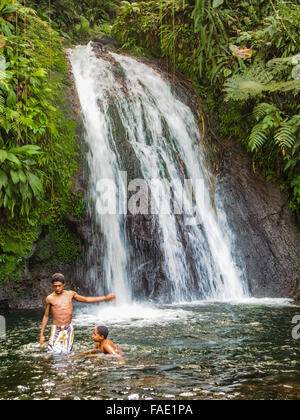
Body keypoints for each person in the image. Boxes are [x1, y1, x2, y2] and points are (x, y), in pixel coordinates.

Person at [40, 273, 116, 354]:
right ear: (52, 285)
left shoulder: (70, 294)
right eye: (55, 286)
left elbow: (86, 299)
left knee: (66, 353)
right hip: (56, 328)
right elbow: (46, 316)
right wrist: (42, 335)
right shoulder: (50, 298)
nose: (57, 288)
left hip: (68, 328)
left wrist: (104, 298)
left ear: (64, 284)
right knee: (52, 353)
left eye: (59, 285)